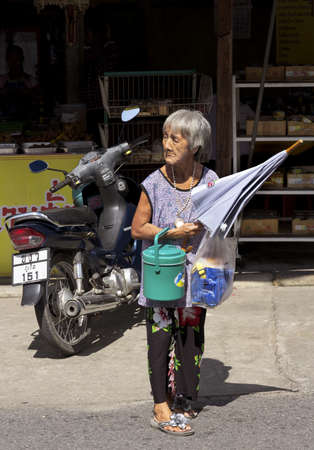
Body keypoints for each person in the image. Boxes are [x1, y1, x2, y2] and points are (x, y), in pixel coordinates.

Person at [131, 109, 218, 436]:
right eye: (165, 137)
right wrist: (171, 234)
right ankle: (160, 404)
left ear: (194, 145)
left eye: (174, 138)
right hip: (162, 277)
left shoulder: (210, 181)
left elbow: (221, 222)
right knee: (160, 338)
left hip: (196, 276)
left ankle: (183, 397)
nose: (166, 144)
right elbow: (138, 228)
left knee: (191, 338)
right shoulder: (153, 183)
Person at [0, 45, 39, 119]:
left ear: (22, 59)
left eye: (17, 59)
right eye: (11, 59)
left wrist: (29, 93)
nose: (14, 63)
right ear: (7, 60)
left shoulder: (31, 81)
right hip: (5, 122)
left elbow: (39, 102)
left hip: (27, 122)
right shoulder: (1, 80)